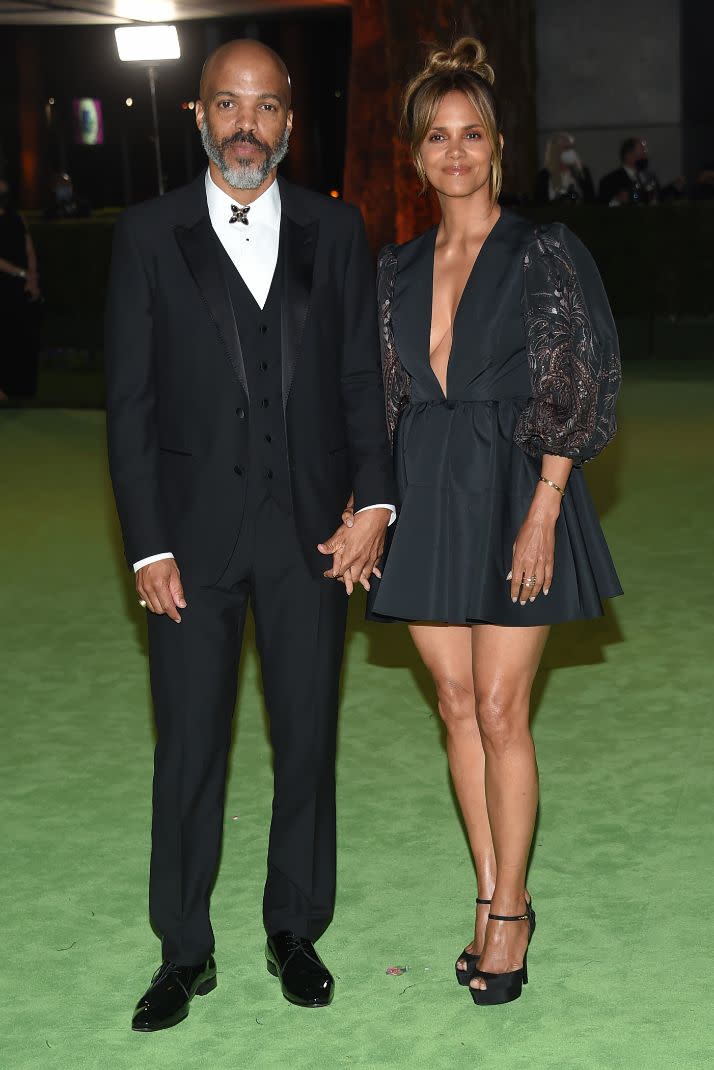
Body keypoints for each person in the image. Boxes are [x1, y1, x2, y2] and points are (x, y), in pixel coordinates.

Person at [105, 39, 395, 1032]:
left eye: (265, 107)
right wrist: (146, 544)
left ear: (288, 125)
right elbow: (130, 403)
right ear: (198, 116)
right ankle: (185, 950)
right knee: (188, 749)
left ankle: (294, 927)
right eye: (227, 104)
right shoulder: (149, 234)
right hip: (189, 545)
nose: (245, 124)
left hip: (312, 536)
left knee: (306, 740)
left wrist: (376, 505)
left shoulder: (337, 230)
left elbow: (364, 381)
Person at [367, 38, 622, 1006]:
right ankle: (485, 889)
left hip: (517, 488)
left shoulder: (543, 250)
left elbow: (580, 383)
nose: (456, 151)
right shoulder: (392, 268)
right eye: (438, 136)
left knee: (505, 707)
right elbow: (380, 402)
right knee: (456, 706)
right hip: (426, 495)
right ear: (417, 154)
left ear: (497, 146)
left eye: (472, 134)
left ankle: (512, 911)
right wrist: (373, 509)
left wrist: (544, 508)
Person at [0, 177, 41, 401]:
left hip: (20, 286)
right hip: (4, 285)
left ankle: (21, 387)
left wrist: (32, 277)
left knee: (22, 336)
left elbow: (29, 248)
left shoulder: (17, 218)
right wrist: (22, 273)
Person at [534, 132, 595, 204]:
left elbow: (591, 200)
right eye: (566, 148)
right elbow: (539, 203)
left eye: (572, 148)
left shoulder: (582, 172)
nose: (571, 152)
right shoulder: (543, 176)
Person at [599, 137, 660, 206]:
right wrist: (618, 201)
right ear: (628, 155)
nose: (645, 157)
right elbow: (603, 207)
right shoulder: (610, 181)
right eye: (642, 153)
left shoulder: (650, 178)